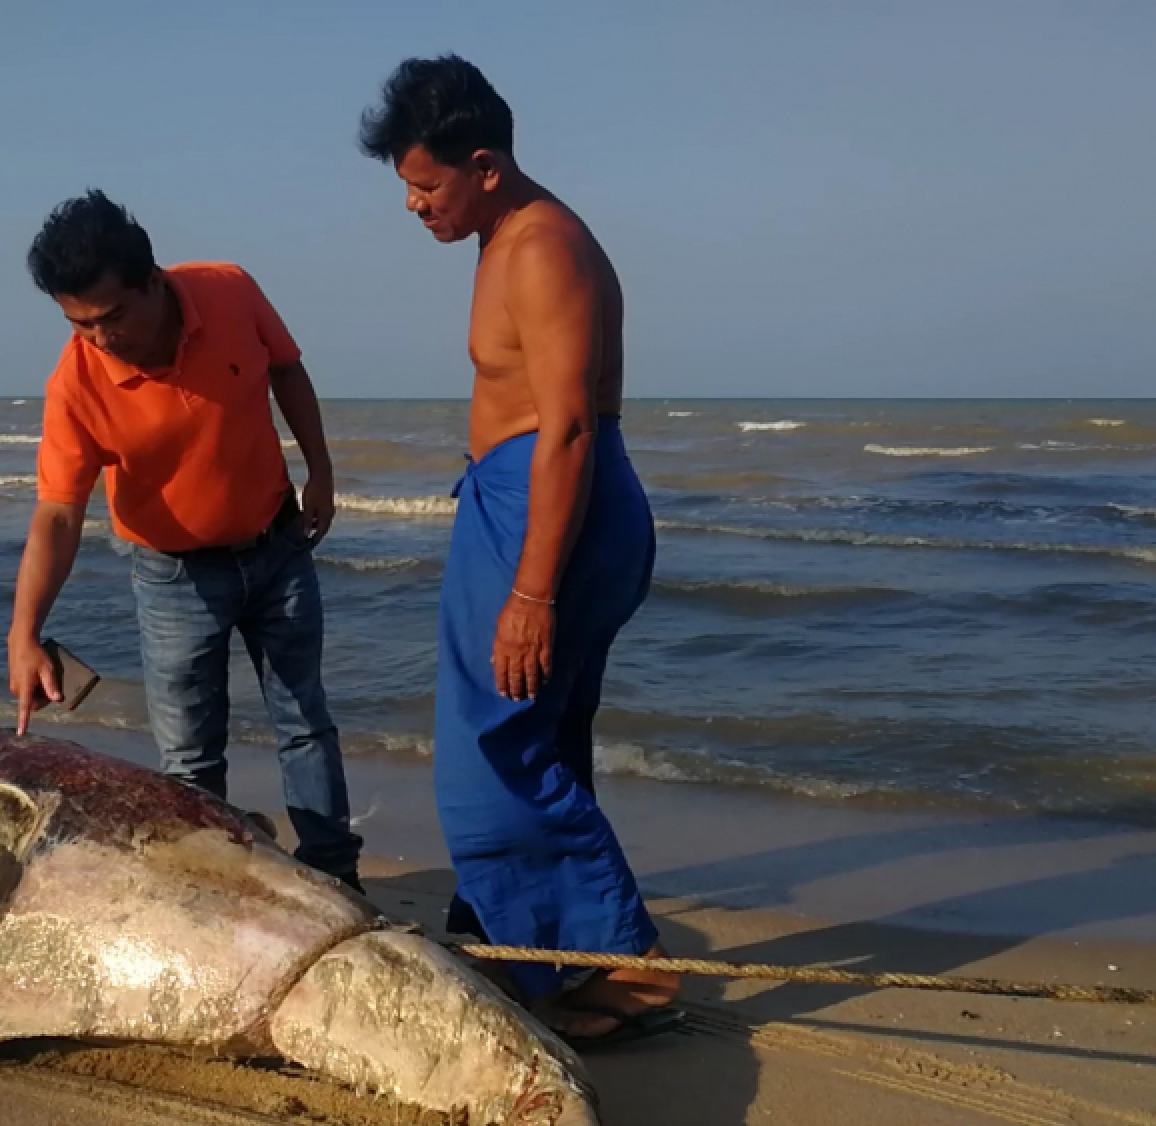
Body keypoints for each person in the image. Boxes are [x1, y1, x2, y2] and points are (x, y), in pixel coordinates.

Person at [359, 56, 682, 1047]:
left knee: (485, 749)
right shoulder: (499, 233)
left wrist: (532, 591)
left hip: (552, 507)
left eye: (425, 185)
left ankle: (623, 967)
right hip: (521, 496)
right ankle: (533, 951)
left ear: (485, 165)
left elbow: (569, 427)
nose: (412, 206)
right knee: (534, 737)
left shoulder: (541, 247)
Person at [7, 190, 364, 891]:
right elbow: (57, 512)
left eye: (111, 317)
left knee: (305, 722)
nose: (100, 339)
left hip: (277, 546)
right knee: (191, 758)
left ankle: (335, 877)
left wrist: (320, 469)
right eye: (80, 325)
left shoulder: (228, 290)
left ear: (153, 280)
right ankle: (216, 890)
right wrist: (25, 632)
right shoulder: (76, 383)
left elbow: (286, 368)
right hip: (173, 579)